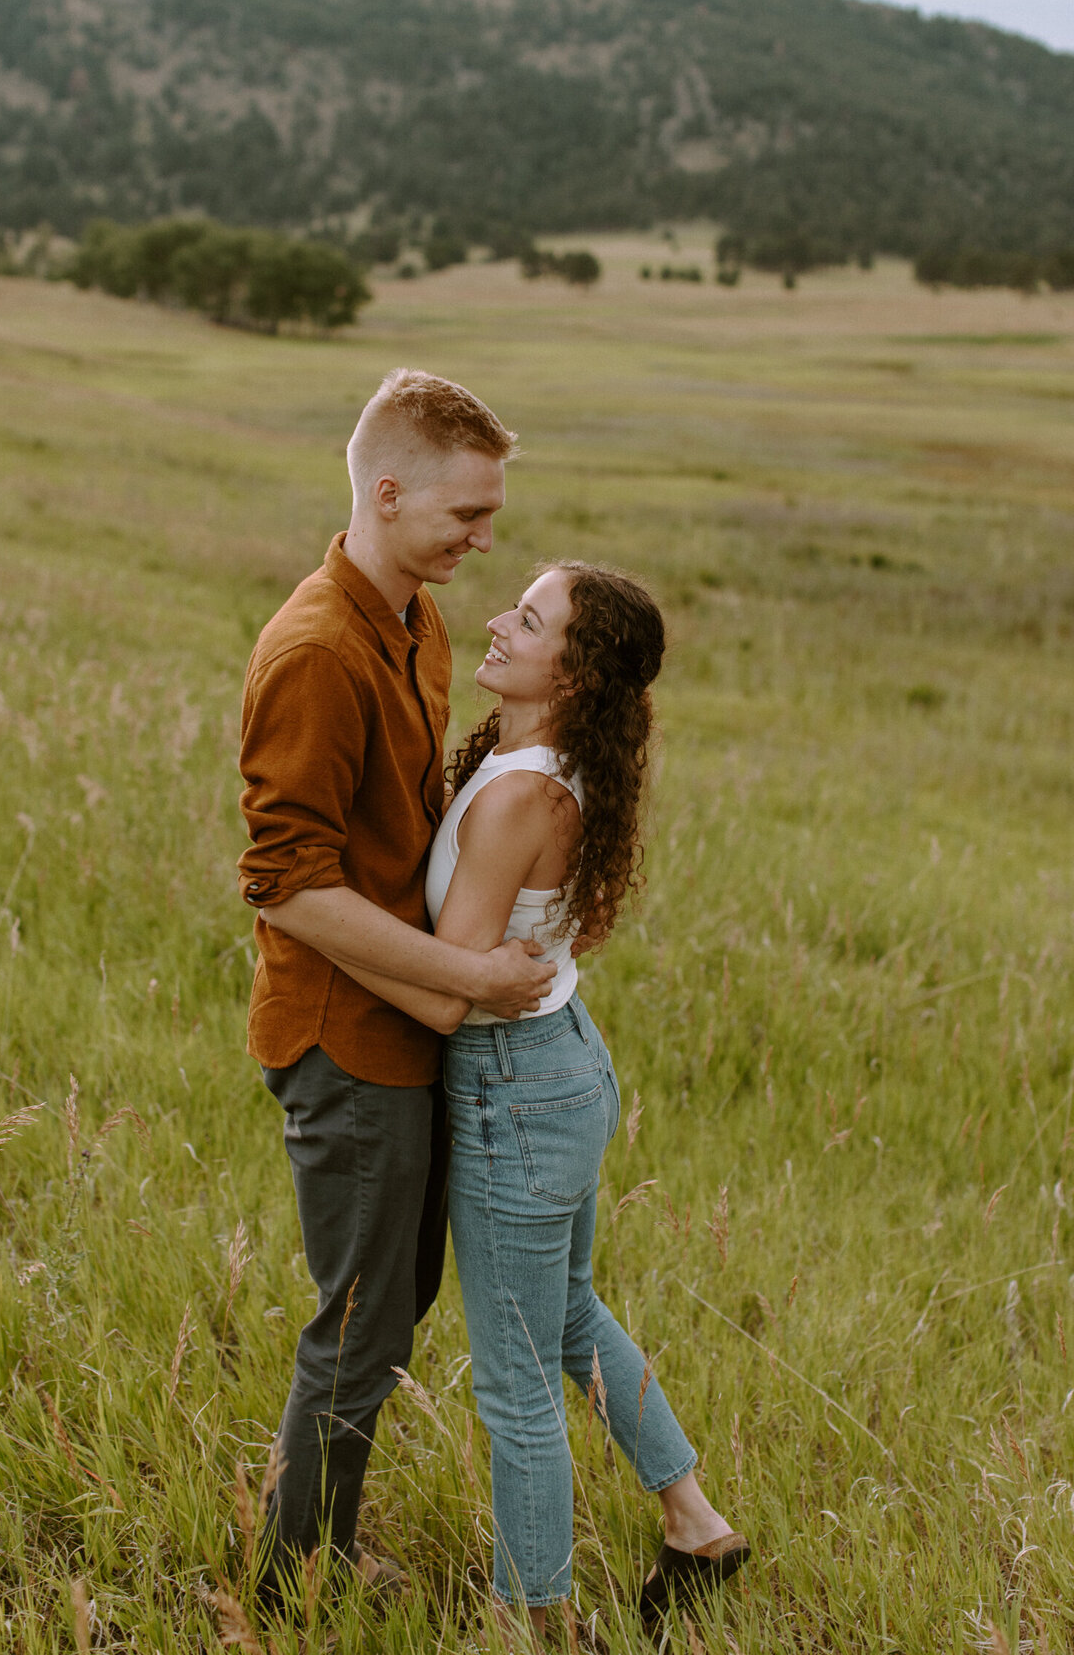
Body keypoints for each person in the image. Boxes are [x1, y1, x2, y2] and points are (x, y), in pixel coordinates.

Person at [338, 561, 750, 1638]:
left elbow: (442, 1002)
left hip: (514, 1089)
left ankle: (537, 1620)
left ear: (576, 672)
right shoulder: (539, 762)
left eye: (528, 619)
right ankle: (695, 1523)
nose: (495, 622)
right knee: (567, 1317)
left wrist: (319, 932)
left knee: (515, 1386)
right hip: (557, 1066)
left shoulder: (527, 791)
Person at [236, 369, 558, 1607]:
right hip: (346, 1040)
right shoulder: (316, 652)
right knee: (364, 1320)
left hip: (409, 1022)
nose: (485, 540)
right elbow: (287, 885)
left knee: (391, 1303)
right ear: (386, 490)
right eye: (467, 516)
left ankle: (304, 1529)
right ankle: (290, 1588)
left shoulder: (415, 620)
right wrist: (469, 974)